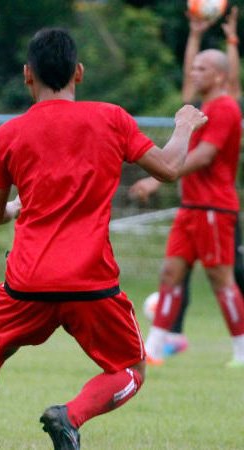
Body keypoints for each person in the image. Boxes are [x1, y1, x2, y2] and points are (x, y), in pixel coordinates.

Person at [0, 27, 207, 450]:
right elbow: (169, 168)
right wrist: (183, 126)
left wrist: (15, 208)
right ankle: (70, 416)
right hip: (91, 280)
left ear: (27, 75)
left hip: (27, 279)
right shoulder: (112, 119)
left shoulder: (6, 136)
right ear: (79, 73)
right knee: (131, 369)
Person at [130, 6, 244, 368]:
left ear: (221, 76)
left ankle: (241, 350)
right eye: (194, 68)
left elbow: (204, 157)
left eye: (202, 69)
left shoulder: (225, 108)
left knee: (221, 280)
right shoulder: (200, 106)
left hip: (214, 207)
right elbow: (188, 77)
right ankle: (154, 348)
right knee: (170, 274)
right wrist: (194, 34)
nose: (194, 73)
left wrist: (157, 175)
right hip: (191, 207)